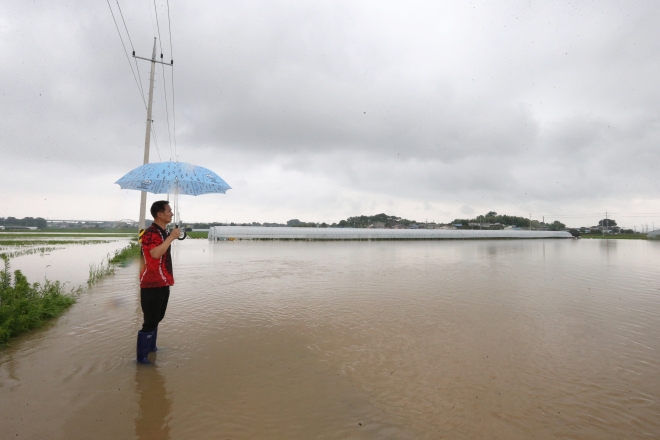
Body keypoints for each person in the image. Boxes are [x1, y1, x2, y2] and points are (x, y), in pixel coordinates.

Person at [136, 200, 181, 364]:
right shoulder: (150, 233)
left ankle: (151, 348)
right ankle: (141, 359)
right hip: (151, 282)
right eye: (169, 211)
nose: (171, 213)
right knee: (150, 321)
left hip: (162, 281)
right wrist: (170, 238)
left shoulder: (162, 232)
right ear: (160, 214)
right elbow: (155, 254)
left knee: (157, 318)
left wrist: (171, 236)